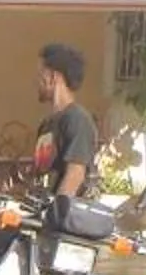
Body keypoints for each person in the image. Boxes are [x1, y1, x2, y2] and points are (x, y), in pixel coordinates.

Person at [31, 42, 98, 202]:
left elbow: (75, 175)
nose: (36, 81)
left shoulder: (77, 120)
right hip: (42, 216)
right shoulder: (46, 125)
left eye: (40, 74)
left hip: (63, 223)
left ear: (53, 77)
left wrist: (55, 216)